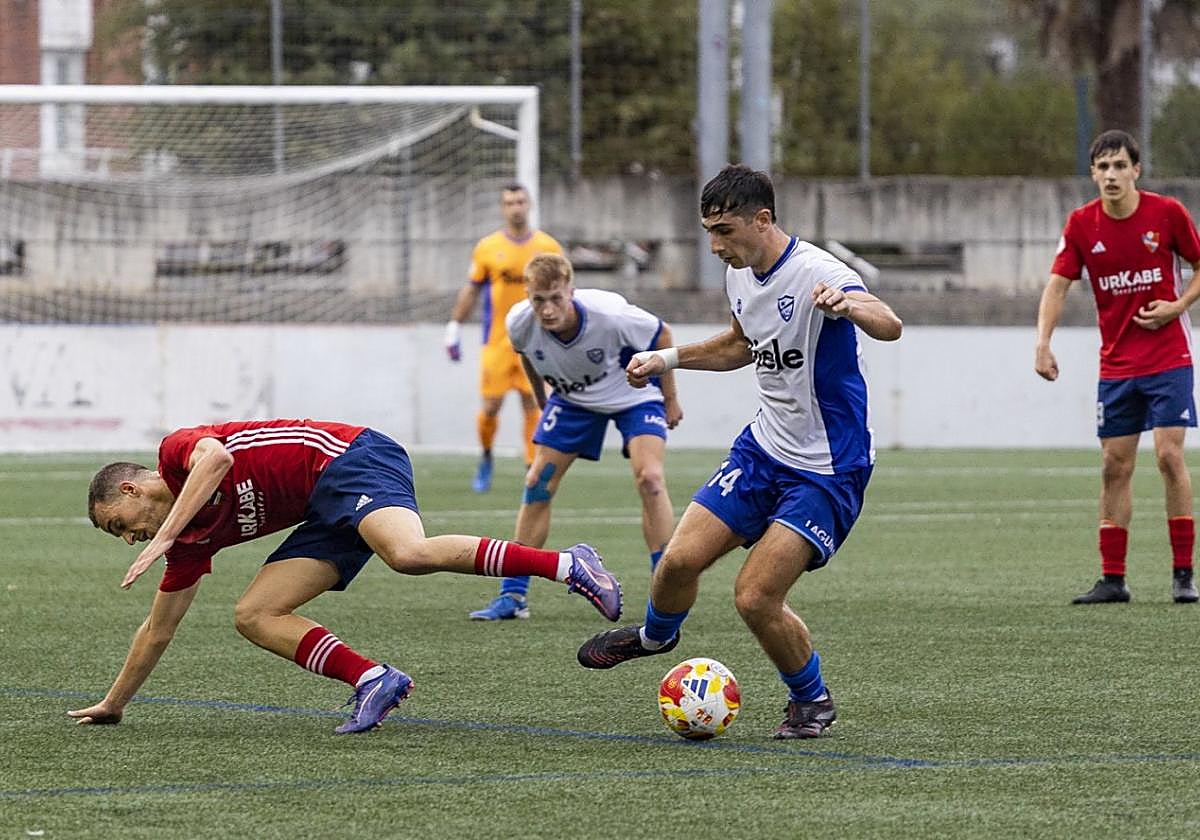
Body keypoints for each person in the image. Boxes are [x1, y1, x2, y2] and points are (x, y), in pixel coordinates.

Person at [576, 165, 903, 739]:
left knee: (754, 597)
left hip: (827, 468)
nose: (715, 245)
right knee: (677, 561)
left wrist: (849, 306)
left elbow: (889, 322)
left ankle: (811, 700)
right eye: (708, 230)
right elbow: (738, 346)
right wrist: (666, 361)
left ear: (763, 219)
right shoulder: (741, 276)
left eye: (724, 230)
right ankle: (656, 637)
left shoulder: (816, 271)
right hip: (763, 449)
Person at [67, 419, 622, 734]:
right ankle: (372, 679)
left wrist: (162, 536)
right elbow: (157, 630)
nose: (129, 538)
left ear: (132, 489)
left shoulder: (176, 454)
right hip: (324, 512)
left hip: (352, 460)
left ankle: (569, 564)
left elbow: (217, 460)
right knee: (254, 614)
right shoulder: (188, 543)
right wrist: (114, 703)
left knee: (406, 553)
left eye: (121, 524)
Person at [468, 252, 683, 620]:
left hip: (633, 393)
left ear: (571, 290)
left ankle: (667, 591)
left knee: (650, 478)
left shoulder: (610, 314)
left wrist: (670, 398)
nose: (548, 310)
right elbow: (527, 357)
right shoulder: (520, 322)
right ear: (528, 295)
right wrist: (541, 403)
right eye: (539, 300)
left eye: (556, 298)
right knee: (537, 482)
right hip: (573, 400)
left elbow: (662, 335)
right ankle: (513, 596)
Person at [1036, 129, 1200, 605]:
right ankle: (1113, 578)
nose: (1111, 175)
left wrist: (1176, 306)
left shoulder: (1166, 214)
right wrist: (1042, 343)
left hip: (1170, 357)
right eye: (1102, 167)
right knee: (1113, 465)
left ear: (1136, 171)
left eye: (1118, 166)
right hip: (1118, 364)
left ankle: (1184, 574)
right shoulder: (1083, 224)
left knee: (1169, 456)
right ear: (1093, 174)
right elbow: (1058, 286)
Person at [445, 183, 564, 493]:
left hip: (537, 341)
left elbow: (565, 293)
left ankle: (531, 467)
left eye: (521, 201)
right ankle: (486, 456)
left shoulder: (548, 246)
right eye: (510, 202)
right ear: (502, 208)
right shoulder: (487, 247)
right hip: (498, 342)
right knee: (490, 406)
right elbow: (472, 288)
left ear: (530, 204)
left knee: (533, 402)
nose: (516, 207)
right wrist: (455, 326)